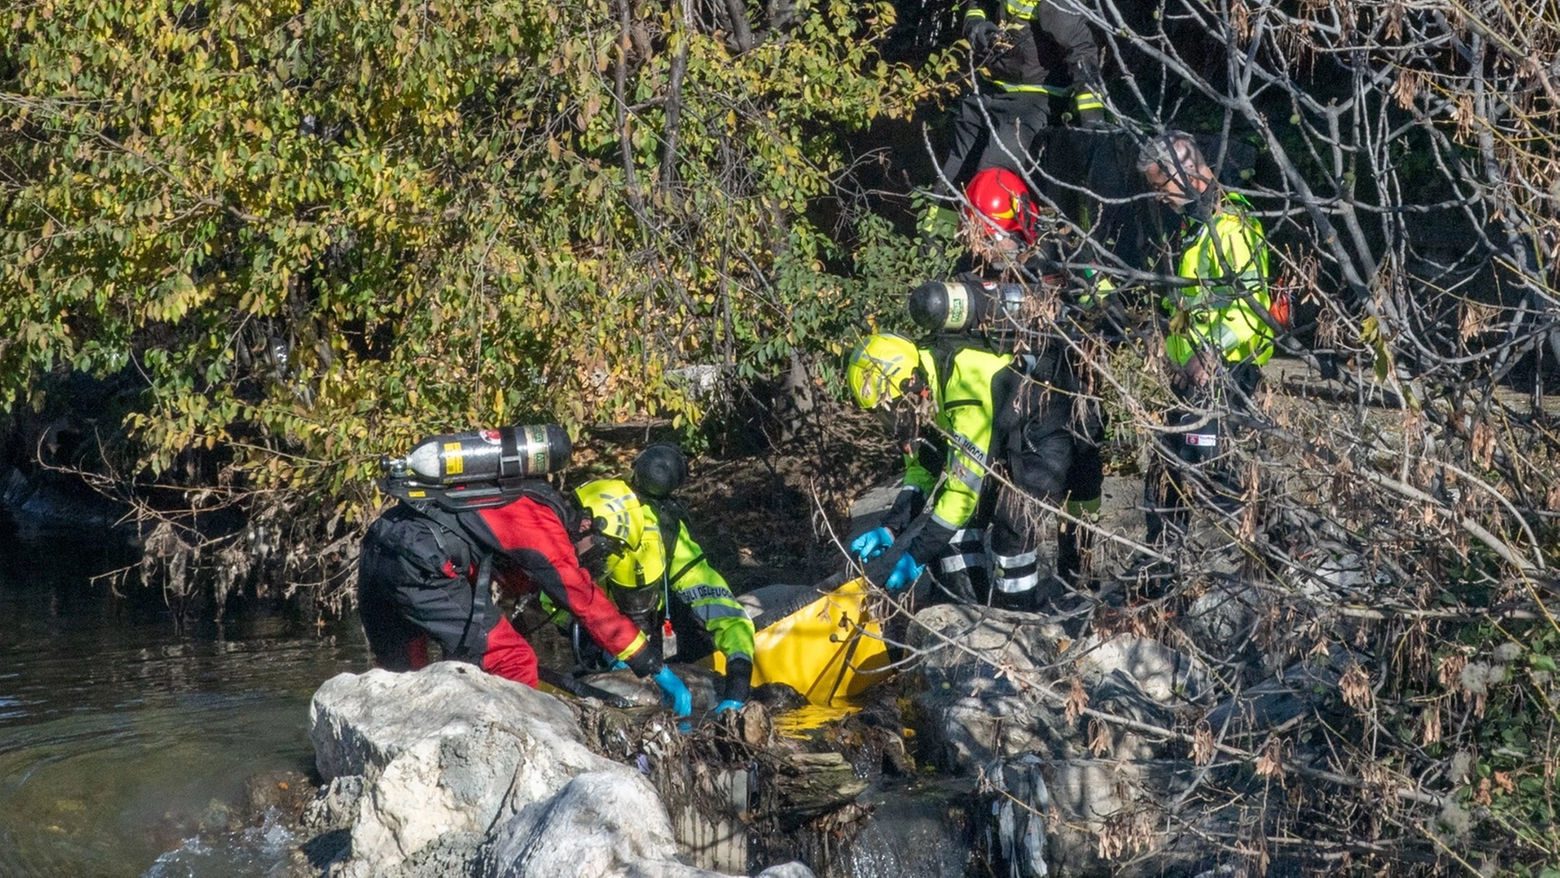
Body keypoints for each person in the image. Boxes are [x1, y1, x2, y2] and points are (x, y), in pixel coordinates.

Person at [356, 446, 693, 718]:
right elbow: (584, 600)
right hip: (421, 563)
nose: (595, 563)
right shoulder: (542, 524)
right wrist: (652, 665)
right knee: (514, 660)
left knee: (404, 682)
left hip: (380, 548)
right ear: (589, 524)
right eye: (602, 551)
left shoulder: (514, 497)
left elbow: (501, 575)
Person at [1133, 131, 1273, 546]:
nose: (1159, 198)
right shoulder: (1193, 227)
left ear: (1190, 175)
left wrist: (1208, 356)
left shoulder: (1230, 226)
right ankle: (1160, 574)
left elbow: (1253, 309)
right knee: (1165, 478)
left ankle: (1263, 562)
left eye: (1162, 188)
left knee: (1223, 480)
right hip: (1191, 380)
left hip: (1227, 378)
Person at [567, 445, 757, 715]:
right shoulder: (567, 534)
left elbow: (721, 608)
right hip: (599, 641)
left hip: (654, 634)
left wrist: (738, 683)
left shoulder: (668, 537)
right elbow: (553, 603)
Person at [931, 0, 1105, 226]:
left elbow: (1082, 53)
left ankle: (1003, 250)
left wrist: (1093, 120)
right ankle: (938, 249)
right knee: (953, 176)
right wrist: (976, 25)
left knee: (992, 177)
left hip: (1036, 100)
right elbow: (976, 5)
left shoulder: (1055, 5)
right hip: (990, 91)